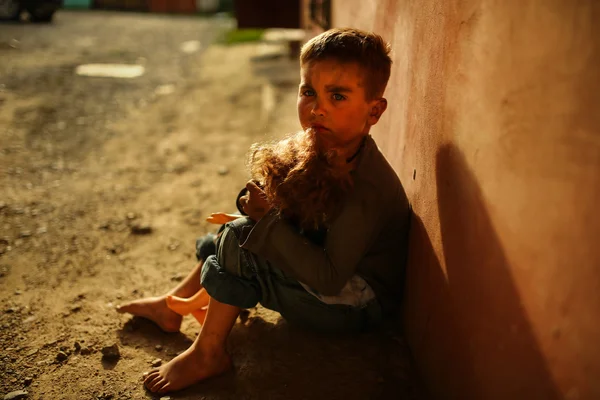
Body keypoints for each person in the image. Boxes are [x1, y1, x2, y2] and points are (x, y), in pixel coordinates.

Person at [116, 27, 411, 394]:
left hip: (352, 305)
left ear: (375, 110)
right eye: (308, 92)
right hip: (330, 274)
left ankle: (208, 353)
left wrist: (264, 220)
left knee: (242, 238)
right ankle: (172, 307)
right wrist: (252, 204)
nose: (317, 108)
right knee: (231, 231)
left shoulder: (367, 189)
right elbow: (283, 203)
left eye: (337, 96)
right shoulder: (329, 145)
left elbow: (330, 277)